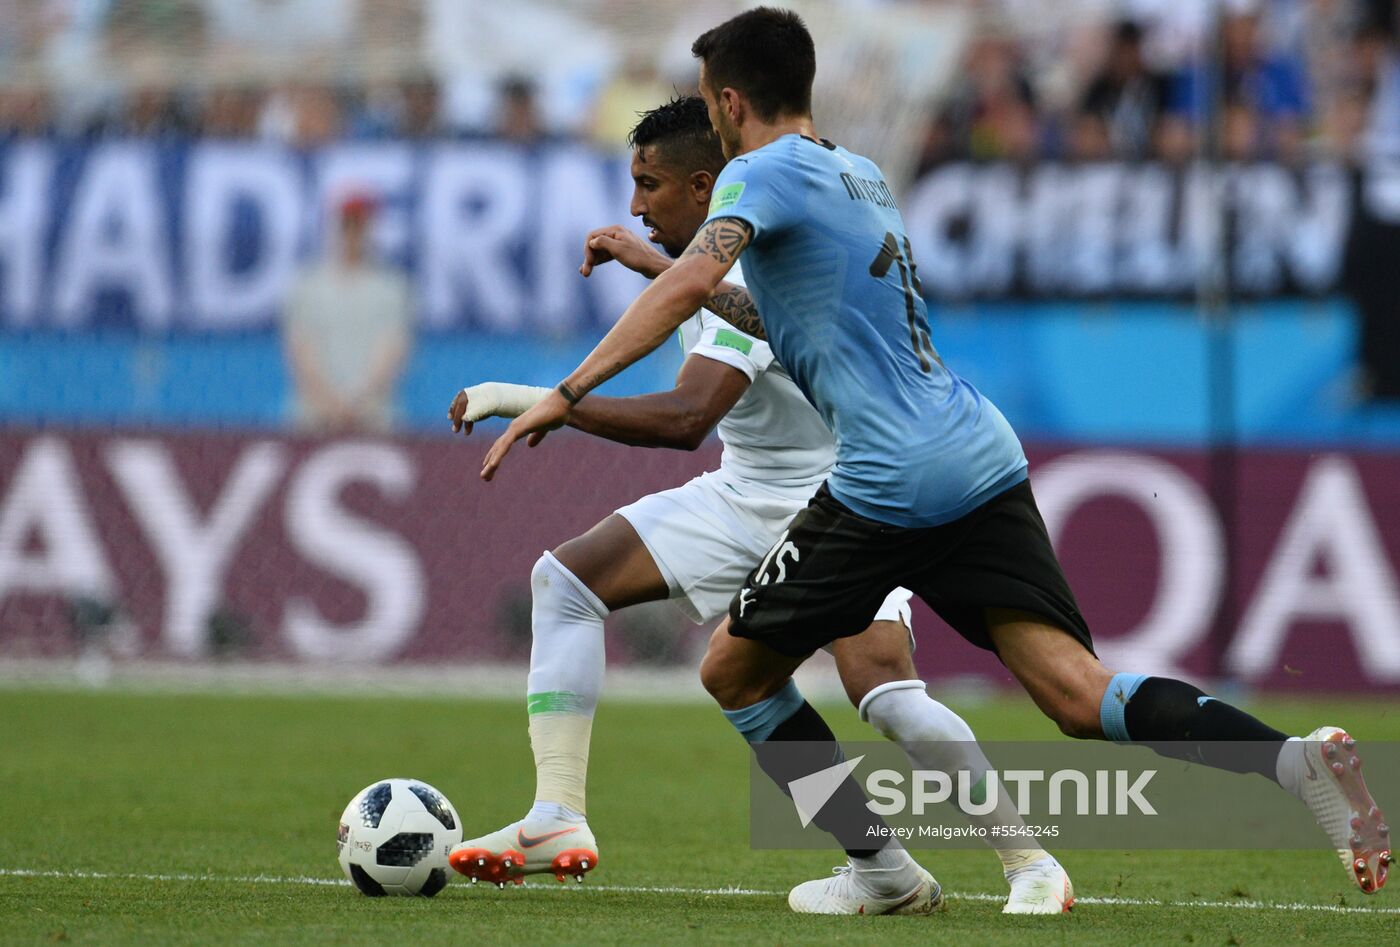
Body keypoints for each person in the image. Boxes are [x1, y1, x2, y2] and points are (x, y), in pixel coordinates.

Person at [480, 6, 1391, 913]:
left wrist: (567, 389)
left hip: (885, 480)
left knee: (733, 671)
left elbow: (695, 292)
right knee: (1078, 694)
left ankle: (880, 870)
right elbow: (796, 322)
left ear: (727, 102)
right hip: (976, 449)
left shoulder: (757, 174)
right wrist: (658, 263)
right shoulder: (858, 172)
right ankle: (1290, 759)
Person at [447, 95, 1072, 915]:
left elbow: (686, 417)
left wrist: (541, 397)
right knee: (566, 581)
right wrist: (650, 263)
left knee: (882, 690)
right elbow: (705, 331)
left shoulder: (756, 260)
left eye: (650, 184)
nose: (636, 203)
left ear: (706, 186)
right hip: (744, 492)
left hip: (845, 500)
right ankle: (564, 814)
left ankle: (1028, 861)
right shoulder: (718, 259)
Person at [282, 191, 412, 433]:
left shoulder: (392, 288)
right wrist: (331, 404)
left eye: (361, 226)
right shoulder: (307, 286)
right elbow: (301, 349)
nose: (354, 235)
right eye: (348, 225)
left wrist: (357, 404)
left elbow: (393, 350)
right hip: (311, 419)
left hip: (376, 420)